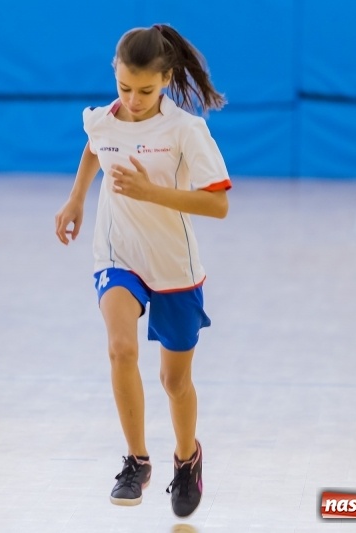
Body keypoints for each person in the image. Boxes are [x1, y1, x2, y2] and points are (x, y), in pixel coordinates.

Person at [54, 24, 231, 517]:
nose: (132, 101)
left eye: (146, 91)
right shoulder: (104, 120)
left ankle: (186, 457)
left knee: (175, 382)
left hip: (173, 265)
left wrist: (150, 192)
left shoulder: (185, 130)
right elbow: (95, 147)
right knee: (120, 347)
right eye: (124, 87)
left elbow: (218, 205)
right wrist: (75, 199)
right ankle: (136, 460)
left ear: (166, 80)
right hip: (118, 254)